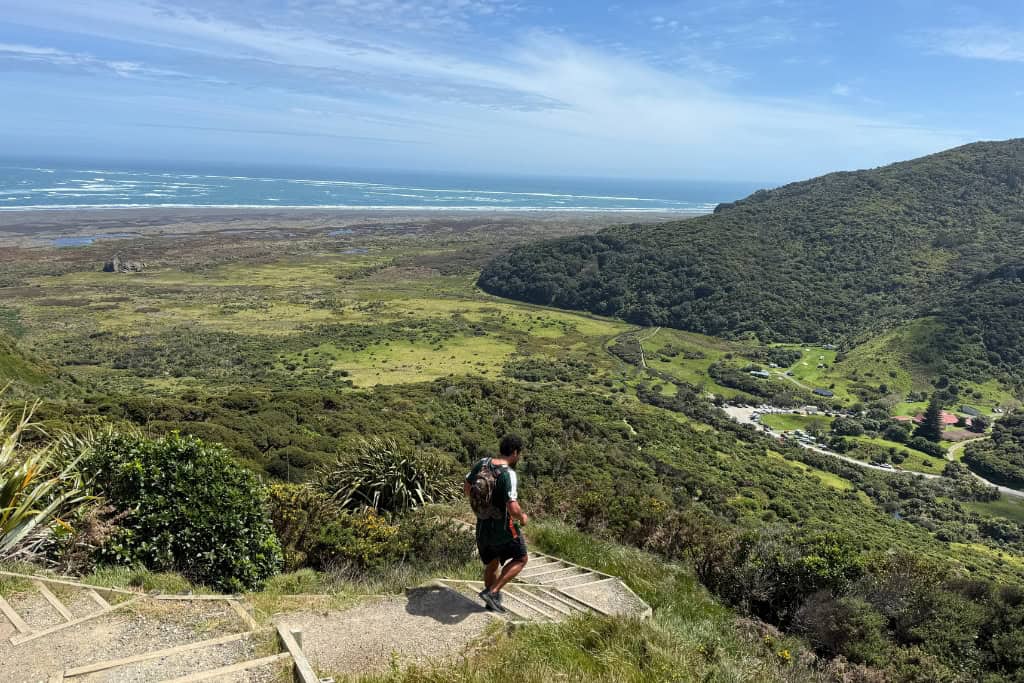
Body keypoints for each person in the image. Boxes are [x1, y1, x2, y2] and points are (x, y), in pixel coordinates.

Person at [464, 433, 529, 613]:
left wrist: (481, 507)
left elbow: (467, 487)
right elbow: (513, 508)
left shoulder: (483, 463)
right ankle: (492, 593)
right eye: (519, 454)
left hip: (482, 525)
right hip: (502, 528)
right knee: (521, 558)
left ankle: (490, 605)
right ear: (515, 453)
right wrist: (522, 517)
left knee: (492, 563)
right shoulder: (509, 474)